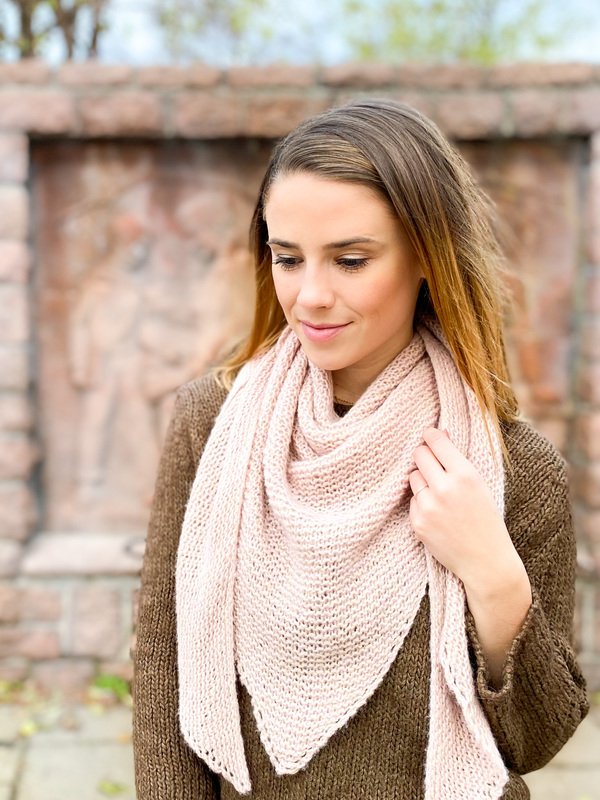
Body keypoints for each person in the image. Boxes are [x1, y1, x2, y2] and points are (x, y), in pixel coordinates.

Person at [132, 99, 589, 800]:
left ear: (427, 257)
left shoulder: (510, 469)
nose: (311, 295)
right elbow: (165, 670)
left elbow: (536, 742)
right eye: (288, 258)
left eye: (350, 260)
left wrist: (493, 575)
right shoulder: (212, 424)